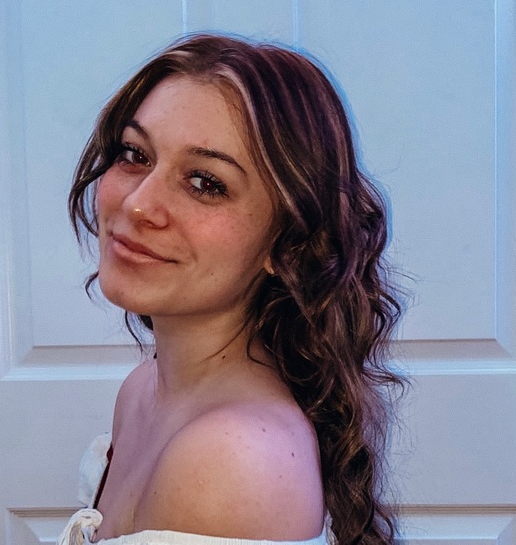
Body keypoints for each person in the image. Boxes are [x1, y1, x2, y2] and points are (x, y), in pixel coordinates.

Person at [58, 33, 406, 545]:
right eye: (135, 154)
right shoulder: (144, 390)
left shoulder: (230, 457)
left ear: (286, 243)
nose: (137, 204)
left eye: (205, 182)